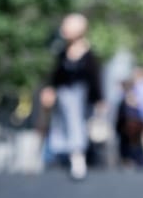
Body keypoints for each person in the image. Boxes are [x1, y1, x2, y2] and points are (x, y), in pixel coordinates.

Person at [39, 13, 104, 181]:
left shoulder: (89, 55)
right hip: (63, 97)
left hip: (80, 99)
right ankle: (60, 156)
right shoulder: (62, 53)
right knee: (60, 125)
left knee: (76, 124)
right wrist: (50, 90)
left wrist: (99, 100)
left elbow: (95, 79)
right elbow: (55, 76)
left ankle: (77, 156)